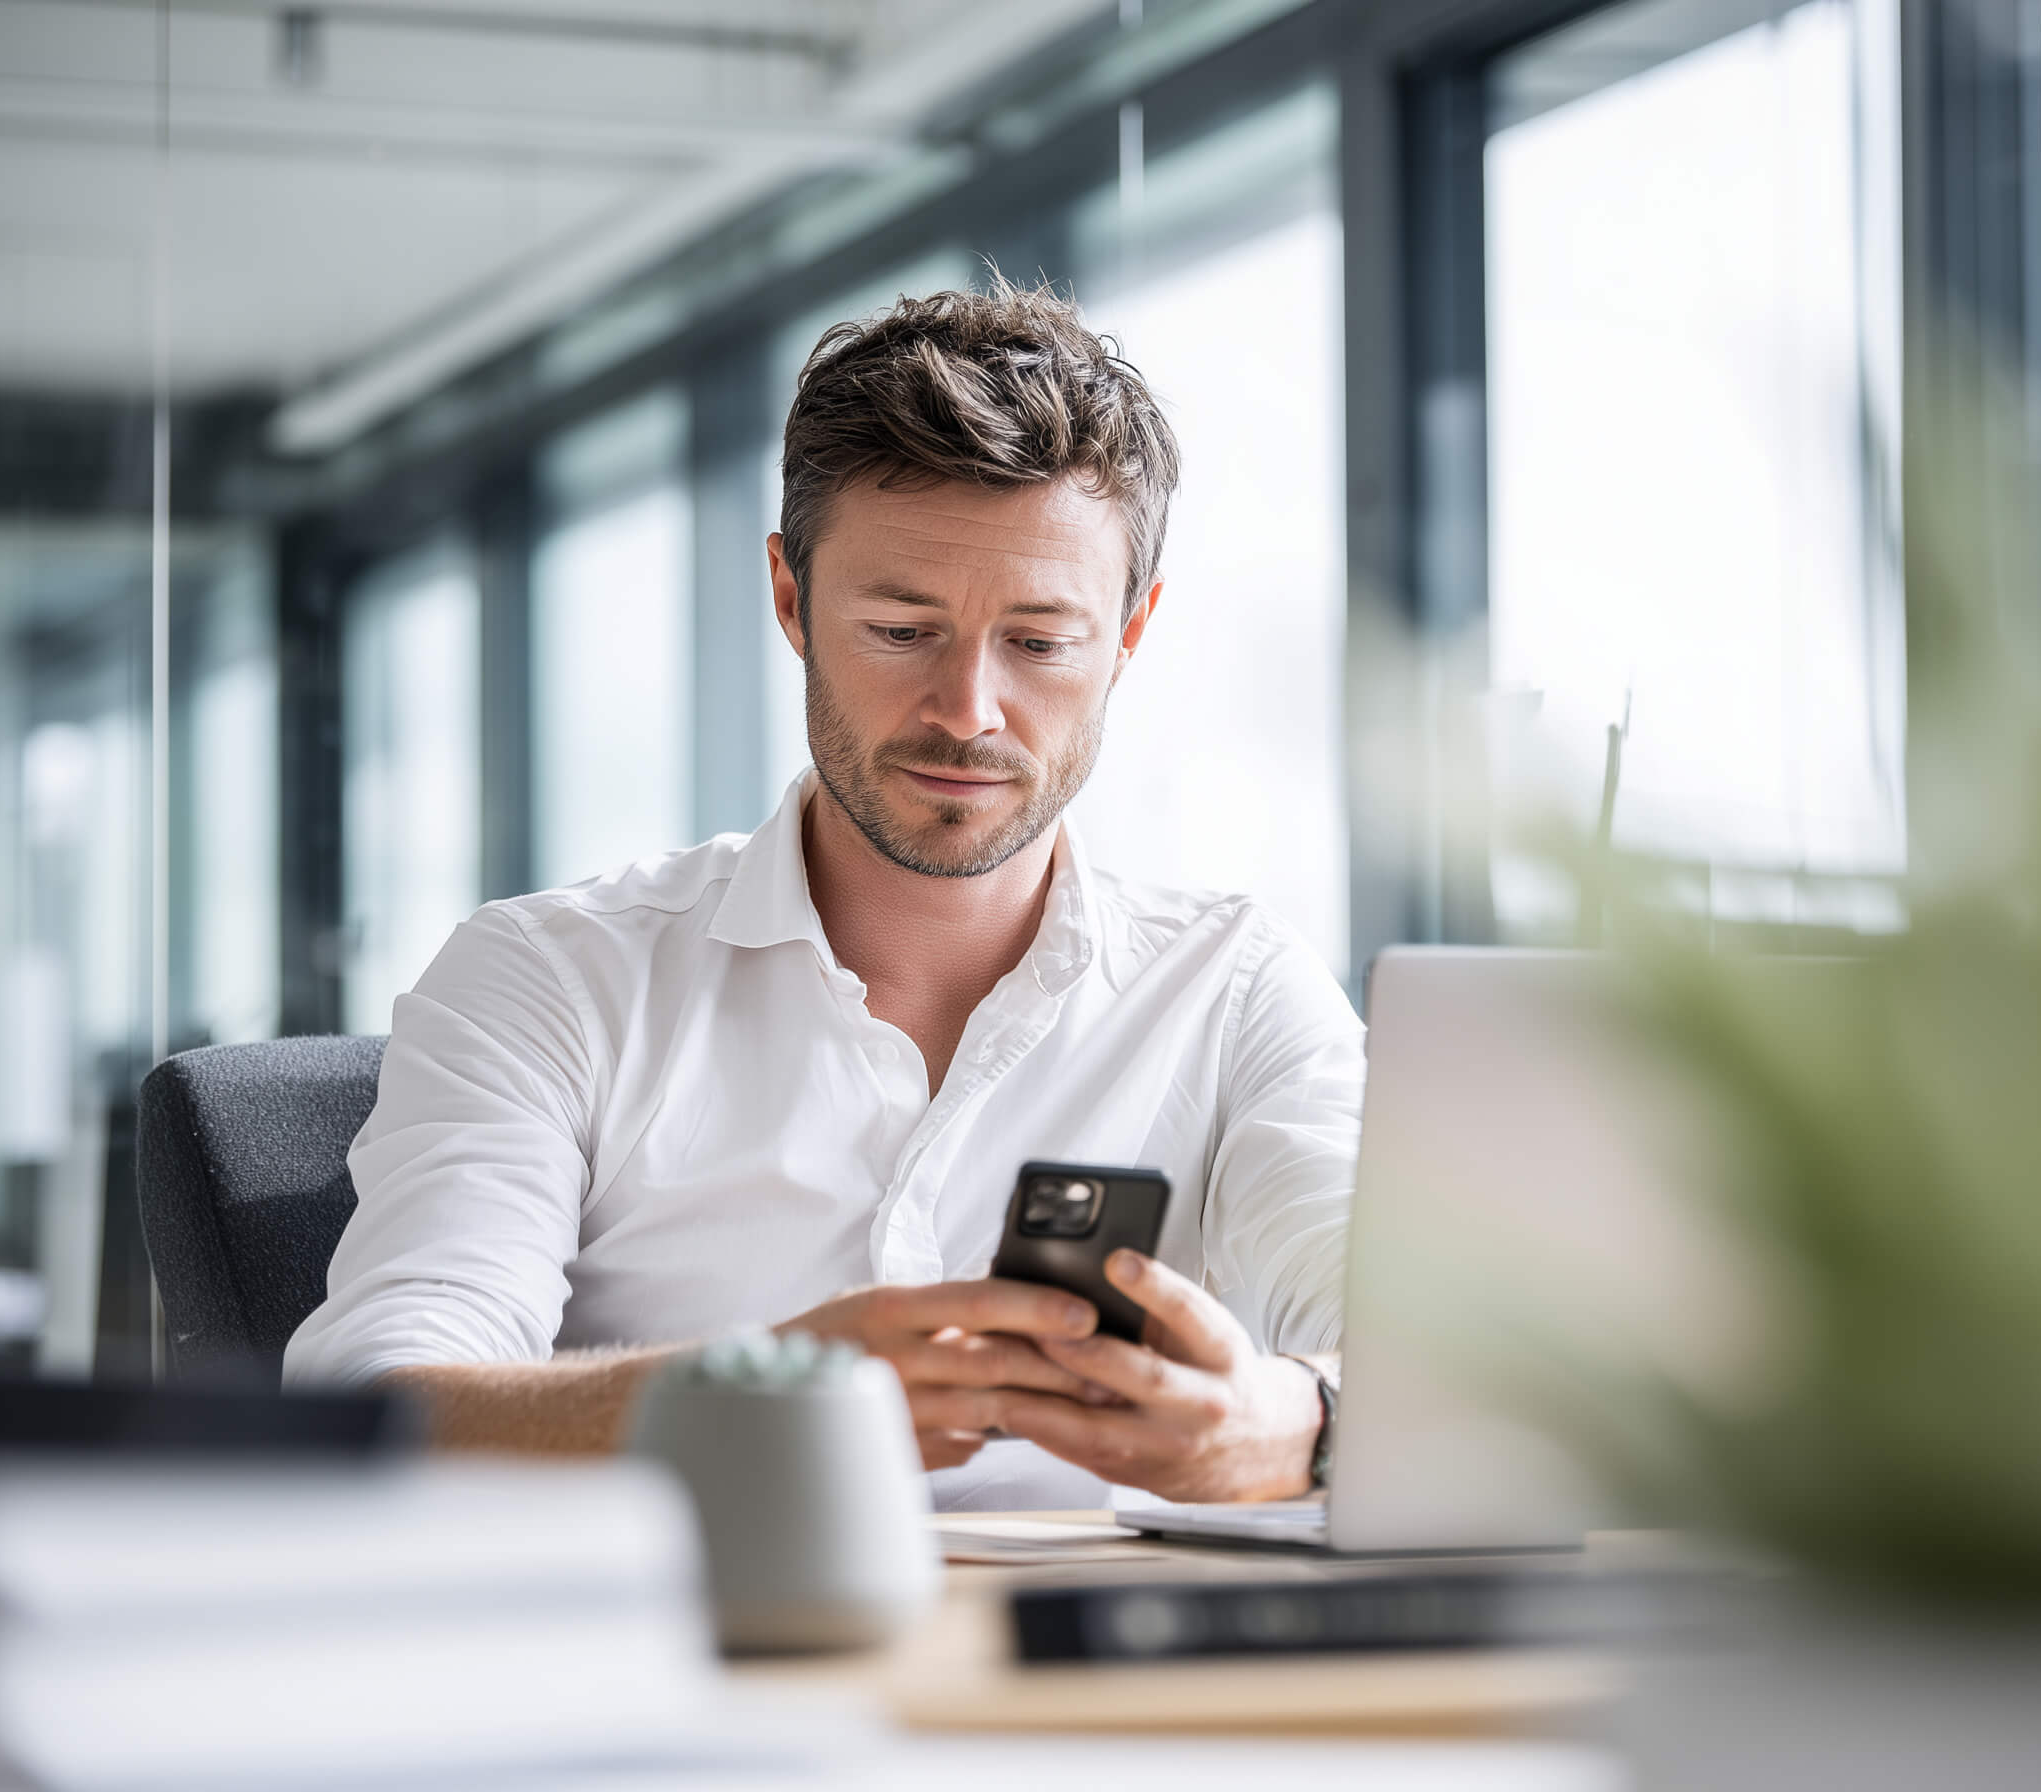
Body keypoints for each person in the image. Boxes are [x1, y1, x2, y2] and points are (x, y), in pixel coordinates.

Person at [284, 280, 1360, 1512]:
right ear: (792, 600)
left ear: (1129, 635)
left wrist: (1299, 1423)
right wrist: (769, 1396)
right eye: (902, 629)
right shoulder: (550, 978)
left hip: (1107, 1681)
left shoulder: (1234, 990)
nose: (969, 710)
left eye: (1042, 643)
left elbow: (1457, 1367)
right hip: (685, 1683)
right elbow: (376, 1408)